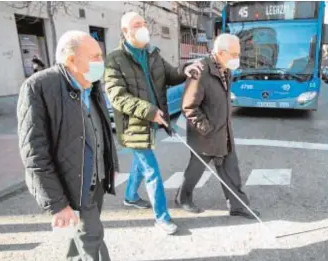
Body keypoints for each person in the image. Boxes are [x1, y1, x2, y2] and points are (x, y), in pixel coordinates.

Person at [17, 31, 123, 261]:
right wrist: (57, 203)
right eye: (96, 56)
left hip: (95, 177)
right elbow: (34, 153)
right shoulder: (38, 87)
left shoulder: (90, 82)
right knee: (93, 238)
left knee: (85, 231)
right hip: (73, 183)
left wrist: (110, 165)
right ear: (72, 59)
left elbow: (100, 130)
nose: (102, 61)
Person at [104, 12, 202, 235]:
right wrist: (149, 111)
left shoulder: (152, 53)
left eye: (144, 23)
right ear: (125, 31)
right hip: (134, 126)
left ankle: (130, 196)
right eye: (137, 25)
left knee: (141, 162)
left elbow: (170, 75)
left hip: (152, 122)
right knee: (152, 171)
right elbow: (117, 97)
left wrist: (185, 70)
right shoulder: (115, 59)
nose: (143, 27)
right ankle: (162, 217)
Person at [175, 34, 260, 219]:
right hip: (205, 135)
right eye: (234, 54)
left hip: (224, 132)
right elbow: (188, 107)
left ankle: (238, 205)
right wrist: (206, 129)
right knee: (195, 171)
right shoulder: (201, 71)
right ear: (221, 53)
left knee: (231, 169)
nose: (237, 58)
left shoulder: (225, 69)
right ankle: (183, 198)